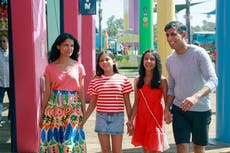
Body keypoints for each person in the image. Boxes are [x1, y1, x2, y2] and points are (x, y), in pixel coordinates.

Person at [164, 21, 218, 153]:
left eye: (173, 34)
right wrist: (166, 108)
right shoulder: (170, 60)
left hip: (201, 110)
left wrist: (195, 97)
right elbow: (171, 87)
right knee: (181, 148)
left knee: (198, 148)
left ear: (183, 34)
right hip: (179, 110)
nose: (170, 38)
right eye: (167, 35)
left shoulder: (199, 53)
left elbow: (213, 80)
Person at [39, 33, 87, 152]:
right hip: (54, 109)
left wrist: (84, 112)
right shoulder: (50, 68)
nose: (69, 48)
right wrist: (42, 114)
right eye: (66, 45)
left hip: (73, 109)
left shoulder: (79, 67)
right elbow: (47, 93)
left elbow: (81, 91)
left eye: (72, 46)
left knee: (70, 144)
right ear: (58, 46)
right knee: (55, 143)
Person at [79, 50, 133, 153]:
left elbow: (127, 103)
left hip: (118, 118)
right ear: (99, 64)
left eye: (107, 59)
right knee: (105, 150)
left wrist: (131, 121)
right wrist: (84, 119)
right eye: (101, 60)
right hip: (101, 117)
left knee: (117, 150)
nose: (104, 62)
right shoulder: (95, 80)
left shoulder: (123, 79)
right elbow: (93, 103)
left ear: (114, 61)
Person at [130, 50, 168, 153]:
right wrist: (131, 119)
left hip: (156, 117)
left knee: (154, 147)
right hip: (142, 117)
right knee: (146, 148)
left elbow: (167, 100)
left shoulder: (162, 80)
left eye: (152, 59)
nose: (148, 61)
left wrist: (168, 113)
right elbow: (136, 102)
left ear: (156, 62)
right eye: (146, 59)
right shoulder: (138, 80)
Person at [0, 34, 12, 127]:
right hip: (0, 82)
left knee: (12, 102)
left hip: (10, 82)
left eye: (4, 41)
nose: (2, 43)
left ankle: (10, 118)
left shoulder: (11, 53)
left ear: (8, 42)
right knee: (0, 102)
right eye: (1, 41)